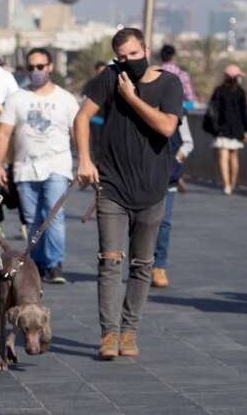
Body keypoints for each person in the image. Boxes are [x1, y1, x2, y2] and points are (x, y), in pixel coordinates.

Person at [74, 27, 183, 360]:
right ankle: (108, 335)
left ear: (146, 50)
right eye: (121, 57)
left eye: (133, 55)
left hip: (153, 188)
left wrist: (132, 98)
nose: (127, 62)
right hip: (112, 187)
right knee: (109, 262)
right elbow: (81, 118)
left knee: (142, 265)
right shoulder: (109, 77)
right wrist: (84, 159)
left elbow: (166, 126)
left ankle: (129, 332)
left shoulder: (169, 84)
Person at [0, 48, 79, 284]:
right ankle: (39, 262)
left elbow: (79, 130)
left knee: (53, 214)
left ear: (50, 67)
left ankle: (55, 263)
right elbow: (3, 133)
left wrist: (85, 159)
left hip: (57, 164)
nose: (35, 72)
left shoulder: (65, 99)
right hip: (24, 167)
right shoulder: (17, 98)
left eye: (40, 67)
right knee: (32, 219)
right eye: (30, 68)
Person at [151, 114, 194, 288]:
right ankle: (140, 263)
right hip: (141, 177)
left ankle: (159, 267)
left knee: (164, 222)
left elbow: (188, 142)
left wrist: (176, 159)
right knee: (141, 222)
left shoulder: (179, 110)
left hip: (168, 176)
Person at [208, 64, 247, 195]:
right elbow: (244, 113)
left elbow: (212, 110)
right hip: (237, 129)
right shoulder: (241, 92)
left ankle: (226, 186)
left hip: (222, 128)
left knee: (223, 157)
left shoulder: (218, 91)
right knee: (234, 157)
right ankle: (232, 183)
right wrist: (246, 130)